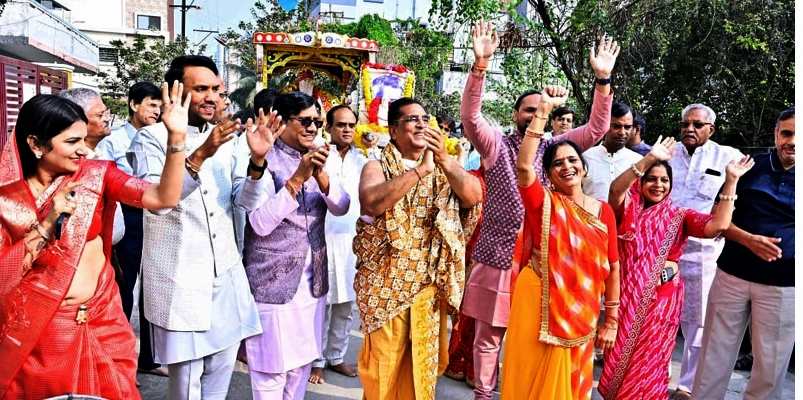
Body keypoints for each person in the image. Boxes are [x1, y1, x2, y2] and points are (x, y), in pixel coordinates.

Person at [459, 20, 619, 399]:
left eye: (539, 110)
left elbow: (596, 130)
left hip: (550, 264)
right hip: (499, 254)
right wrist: (480, 66)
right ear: (516, 113)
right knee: (489, 337)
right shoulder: (495, 144)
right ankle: (484, 394)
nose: (534, 116)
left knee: (538, 341)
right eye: (527, 110)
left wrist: (602, 81)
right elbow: (470, 117)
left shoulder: (555, 148)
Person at [0, 83, 189, 398]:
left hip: (104, 323)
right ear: (35, 143)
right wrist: (47, 224)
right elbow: (5, 273)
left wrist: (177, 139)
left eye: (83, 140)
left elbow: (162, 198)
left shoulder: (97, 176)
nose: (82, 150)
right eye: (72, 141)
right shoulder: (8, 200)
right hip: (42, 335)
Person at [129, 55, 273, 399]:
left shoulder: (230, 139)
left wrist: (257, 163)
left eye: (216, 89)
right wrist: (202, 153)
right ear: (176, 92)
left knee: (222, 367)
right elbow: (160, 203)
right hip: (179, 277)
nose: (212, 97)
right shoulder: (150, 138)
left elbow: (245, 202)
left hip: (224, 272)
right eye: (201, 89)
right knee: (187, 381)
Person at [597, 137, 754, 399]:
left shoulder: (679, 216)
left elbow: (718, 226)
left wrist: (731, 181)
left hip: (661, 305)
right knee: (618, 364)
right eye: (652, 179)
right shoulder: (628, 212)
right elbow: (615, 190)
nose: (658, 185)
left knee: (652, 364)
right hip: (625, 301)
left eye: (664, 180)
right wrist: (648, 159)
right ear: (641, 182)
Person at [354, 98, 482, 399]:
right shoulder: (377, 165)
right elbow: (370, 202)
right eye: (412, 119)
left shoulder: (443, 167)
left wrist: (444, 161)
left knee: (422, 370)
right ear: (393, 130)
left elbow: (473, 197)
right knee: (382, 370)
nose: (422, 124)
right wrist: (421, 170)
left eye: (425, 118)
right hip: (386, 287)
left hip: (427, 287)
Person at [501, 84, 620, 400]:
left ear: (583, 168)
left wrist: (612, 318)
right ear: (550, 175)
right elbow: (524, 166)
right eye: (557, 164)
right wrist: (543, 111)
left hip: (581, 308)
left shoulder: (603, 211)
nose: (566, 166)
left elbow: (612, 266)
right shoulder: (544, 203)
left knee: (570, 381)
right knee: (527, 373)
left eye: (572, 161)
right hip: (536, 295)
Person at [242, 92, 350, 399]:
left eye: (317, 121)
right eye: (305, 121)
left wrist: (322, 177)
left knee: (299, 368)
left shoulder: (318, 156)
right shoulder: (262, 158)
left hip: (312, 283)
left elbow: (342, 205)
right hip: (271, 280)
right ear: (282, 121)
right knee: (270, 371)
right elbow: (260, 223)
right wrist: (297, 180)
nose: (313, 128)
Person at [691, 107, 795, 400]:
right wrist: (749, 240)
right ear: (776, 134)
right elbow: (716, 218)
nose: (792, 141)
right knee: (714, 353)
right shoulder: (748, 168)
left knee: (770, 366)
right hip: (732, 275)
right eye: (786, 133)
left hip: (785, 285)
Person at [667, 103, 744, 400]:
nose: (690, 129)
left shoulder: (728, 156)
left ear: (710, 129)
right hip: (666, 247)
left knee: (697, 321)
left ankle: (687, 385)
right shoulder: (669, 153)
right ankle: (653, 374)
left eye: (697, 125)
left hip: (703, 250)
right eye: (686, 123)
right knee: (660, 312)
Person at [95, 81, 168, 378]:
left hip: (159, 215)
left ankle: (148, 359)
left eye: (160, 106)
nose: (157, 111)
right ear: (134, 104)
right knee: (124, 288)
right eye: (151, 104)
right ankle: (117, 362)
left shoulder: (164, 137)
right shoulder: (112, 141)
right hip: (128, 218)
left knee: (153, 289)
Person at [308, 105, 364, 385]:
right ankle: (316, 360)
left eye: (351, 125)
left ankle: (336, 357)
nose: (346, 129)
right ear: (328, 127)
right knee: (322, 304)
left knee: (345, 305)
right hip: (323, 238)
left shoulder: (365, 159)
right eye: (340, 124)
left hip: (353, 242)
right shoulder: (317, 155)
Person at [582, 102, 643, 201]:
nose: (622, 133)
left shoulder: (639, 162)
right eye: (616, 126)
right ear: (604, 125)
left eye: (627, 127)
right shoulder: (585, 158)